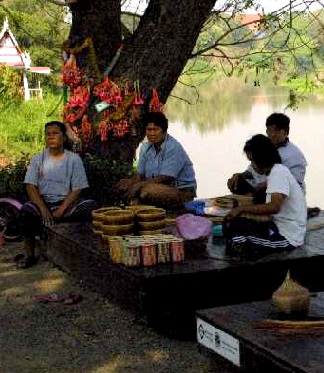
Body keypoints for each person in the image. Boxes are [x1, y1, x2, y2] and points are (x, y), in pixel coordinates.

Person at [16, 121, 97, 268]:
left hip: (67, 206)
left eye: (55, 133)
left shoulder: (73, 159)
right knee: (26, 211)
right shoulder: (37, 159)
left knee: (90, 206)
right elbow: (30, 186)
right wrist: (43, 209)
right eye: (48, 134)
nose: (51, 137)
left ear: (64, 138)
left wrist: (61, 210)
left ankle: (86, 252)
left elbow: (77, 189)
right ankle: (29, 255)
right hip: (44, 205)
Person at [223, 134, 307, 254]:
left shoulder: (278, 172)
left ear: (261, 158)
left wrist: (241, 209)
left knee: (236, 236)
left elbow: (274, 207)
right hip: (276, 226)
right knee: (233, 224)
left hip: (287, 236)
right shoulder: (276, 171)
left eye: (253, 160)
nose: (252, 164)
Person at [117, 111, 196, 208]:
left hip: (181, 191)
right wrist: (131, 183)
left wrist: (138, 186)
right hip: (157, 186)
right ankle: (137, 204)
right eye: (149, 130)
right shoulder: (145, 147)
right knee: (123, 184)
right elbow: (139, 175)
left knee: (147, 191)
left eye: (156, 130)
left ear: (164, 131)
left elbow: (165, 178)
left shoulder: (173, 147)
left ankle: (140, 203)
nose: (152, 134)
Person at [227, 113, 307, 200]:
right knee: (235, 182)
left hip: (283, 194)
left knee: (263, 194)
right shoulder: (262, 146)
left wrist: (266, 184)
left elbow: (293, 183)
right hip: (259, 187)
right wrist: (239, 175)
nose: (272, 134)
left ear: (286, 132)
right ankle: (251, 200)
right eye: (269, 130)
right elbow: (252, 171)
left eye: (277, 130)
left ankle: (253, 202)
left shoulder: (295, 155)